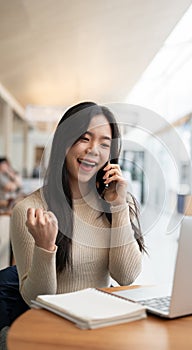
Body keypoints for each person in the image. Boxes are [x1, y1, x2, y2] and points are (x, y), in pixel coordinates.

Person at [2, 102, 146, 331]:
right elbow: (35, 299)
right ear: (64, 142)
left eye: (104, 144)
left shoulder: (116, 202)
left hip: (101, 326)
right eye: (84, 138)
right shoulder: (30, 210)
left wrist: (118, 206)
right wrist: (44, 246)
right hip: (50, 331)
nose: (93, 150)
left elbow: (126, 277)